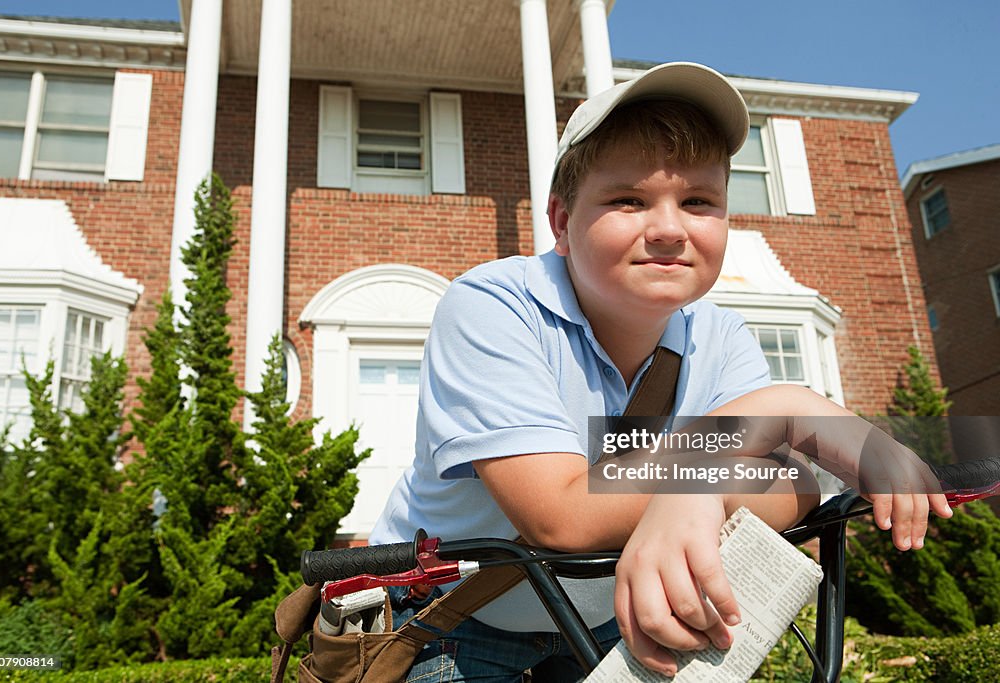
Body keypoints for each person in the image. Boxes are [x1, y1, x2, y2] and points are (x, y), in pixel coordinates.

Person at [369, 61, 951, 681]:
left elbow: (793, 483)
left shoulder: (720, 335)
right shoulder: (492, 306)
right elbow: (560, 516)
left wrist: (691, 492)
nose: (670, 229)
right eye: (629, 199)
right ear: (562, 222)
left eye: (699, 201)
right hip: (449, 629)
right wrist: (768, 413)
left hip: (606, 628)